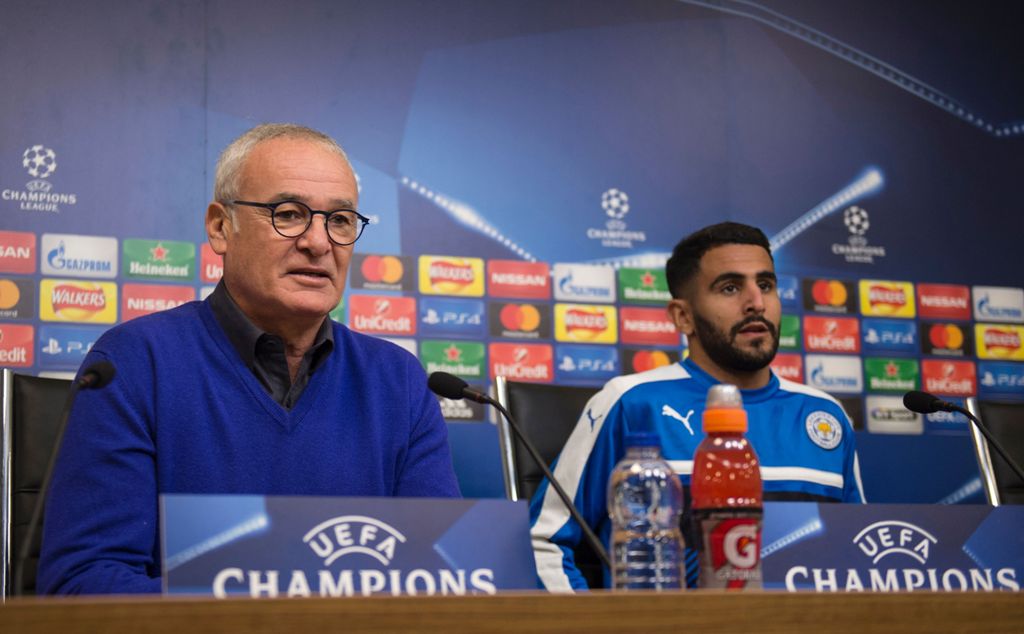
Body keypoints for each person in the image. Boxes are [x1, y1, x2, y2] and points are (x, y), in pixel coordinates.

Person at [38, 124, 460, 594]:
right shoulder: (133, 364)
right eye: (289, 214)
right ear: (221, 227)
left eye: (339, 220)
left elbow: (438, 579)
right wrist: (271, 610)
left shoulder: (397, 381)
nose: (319, 243)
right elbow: (84, 584)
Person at [529, 221, 864, 592]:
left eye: (766, 285)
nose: (756, 302)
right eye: (731, 288)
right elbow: (543, 541)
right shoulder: (630, 403)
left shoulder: (826, 416)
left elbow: (857, 553)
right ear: (682, 316)